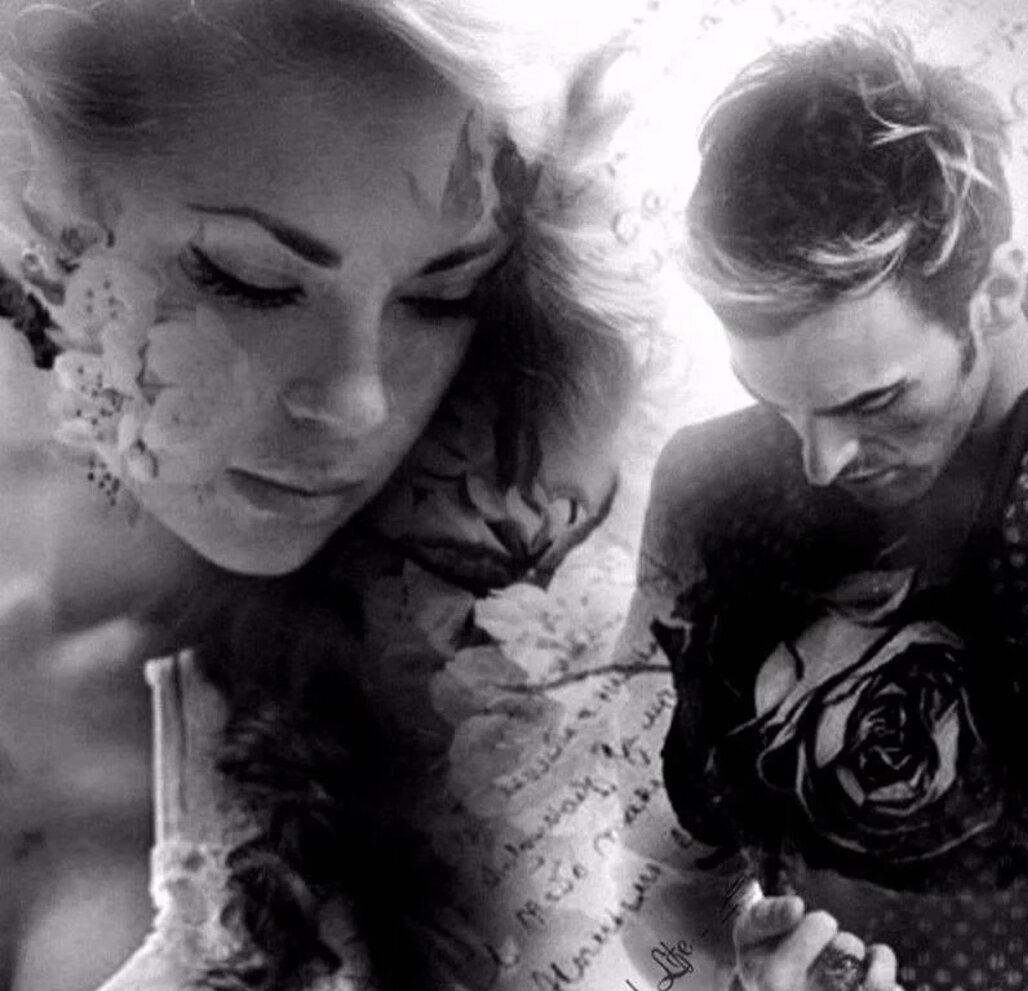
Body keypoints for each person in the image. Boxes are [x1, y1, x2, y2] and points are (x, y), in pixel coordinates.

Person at [0, 1, 647, 989]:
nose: (358, 401)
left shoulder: (495, 704)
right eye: (250, 279)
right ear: (31, 213)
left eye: (441, 296)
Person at [616, 26, 1028, 991]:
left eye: (874, 400)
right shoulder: (710, 488)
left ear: (996, 290)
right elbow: (653, 893)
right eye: (774, 401)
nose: (821, 461)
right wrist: (721, 979)